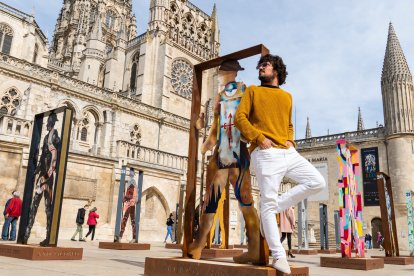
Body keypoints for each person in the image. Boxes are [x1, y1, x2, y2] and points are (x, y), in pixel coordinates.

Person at [235, 54, 326, 274]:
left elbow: (289, 124)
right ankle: (278, 255)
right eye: (259, 65)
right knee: (267, 200)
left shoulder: (287, 97)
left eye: (265, 65)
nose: (260, 68)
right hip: (265, 153)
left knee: (317, 182)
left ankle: (273, 208)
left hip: (288, 151)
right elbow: (240, 118)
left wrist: (290, 141)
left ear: (276, 70)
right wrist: (258, 138)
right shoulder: (252, 92)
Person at [189, 60, 267, 265]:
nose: (222, 75)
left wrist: (253, 141)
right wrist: (202, 140)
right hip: (222, 153)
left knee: (245, 202)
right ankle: (198, 245)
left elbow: (255, 121)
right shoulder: (219, 98)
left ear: (233, 73)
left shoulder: (247, 92)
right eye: (221, 72)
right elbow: (215, 132)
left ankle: (255, 249)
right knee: (211, 201)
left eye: (225, 72)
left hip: (239, 153)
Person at [23, 112, 60, 246]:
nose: (47, 123)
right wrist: (37, 170)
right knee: (35, 205)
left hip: (48, 177)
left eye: (49, 120)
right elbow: (43, 155)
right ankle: (26, 234)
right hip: (43, 176)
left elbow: (55, 157)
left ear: (52, 122)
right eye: (48, 120)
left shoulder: (55, 136)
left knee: (47, 208)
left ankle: (48, 237)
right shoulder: (46, 137)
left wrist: (48, 174)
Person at [117, 168, 137, 243]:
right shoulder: (130, 181)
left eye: (131, 172)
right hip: (130, 203)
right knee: (129, 220)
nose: (130, 173)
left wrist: (125, 198)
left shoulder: (132, 182)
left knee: (127, 219)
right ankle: (122, 236)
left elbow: (131, 192)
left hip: (130, 203)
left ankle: (121, 236)